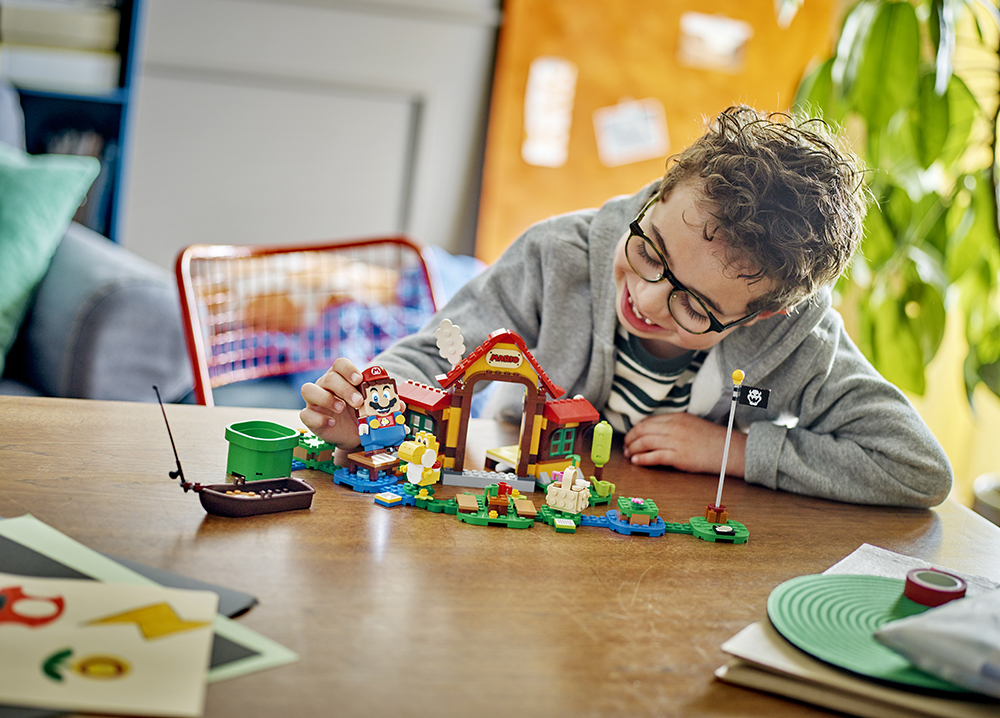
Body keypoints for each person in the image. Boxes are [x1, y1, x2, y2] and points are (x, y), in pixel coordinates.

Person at [300, 105, 952, 508]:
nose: (645, 298)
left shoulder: (801, 343)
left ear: (761, 315)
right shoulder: (556, 254)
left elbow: (916, 468)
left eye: (695, 307)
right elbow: (439, 348)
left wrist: (735, 452)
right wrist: (376, 411)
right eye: (649, 250)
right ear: (660, 193)